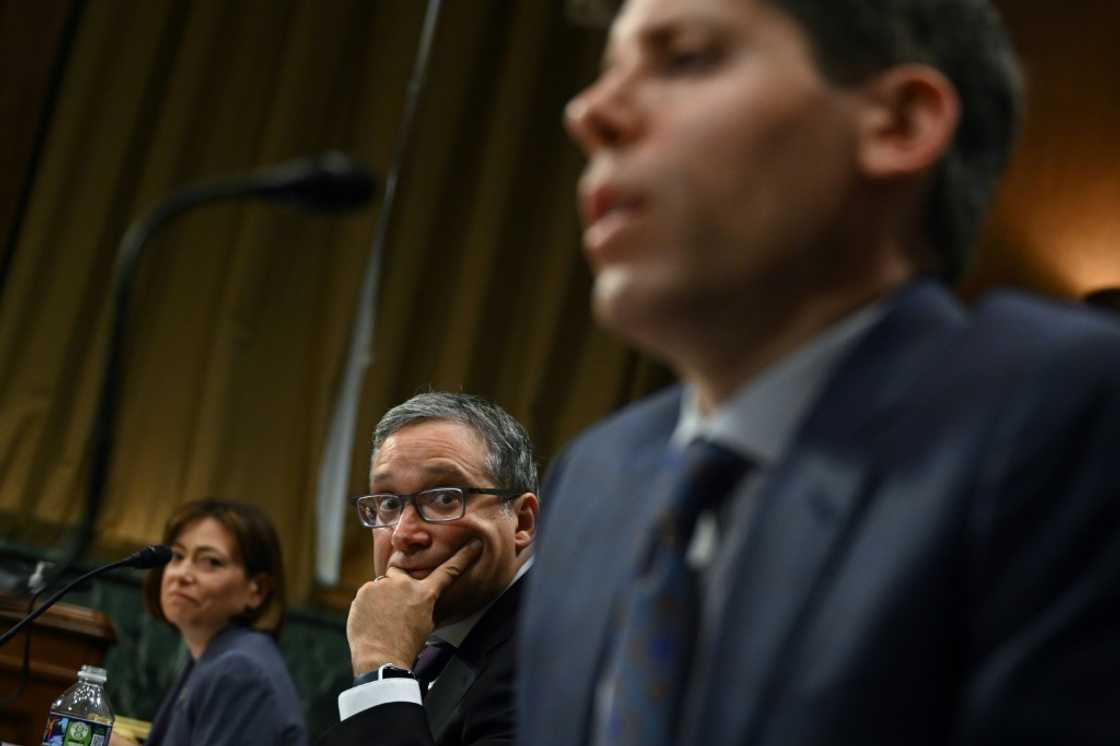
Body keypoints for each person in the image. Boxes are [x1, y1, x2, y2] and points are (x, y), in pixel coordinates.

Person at [519, 1, 1120, 745]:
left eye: (686, 58)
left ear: (898, 124)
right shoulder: (594, 476)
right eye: (609, 70)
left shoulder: (1059, 413)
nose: (589, 113)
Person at [318, 392, 539, 746]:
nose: (403, 535)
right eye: (389, 503)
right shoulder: (428, 635)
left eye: (444, 498)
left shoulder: (549, 657)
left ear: (522, 522)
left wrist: (381, 668)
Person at [111, 500, 306, 746]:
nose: (182, 574)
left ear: (257, 589)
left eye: (211, 562)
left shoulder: (239, 671)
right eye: (177, 556)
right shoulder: (213, 656)